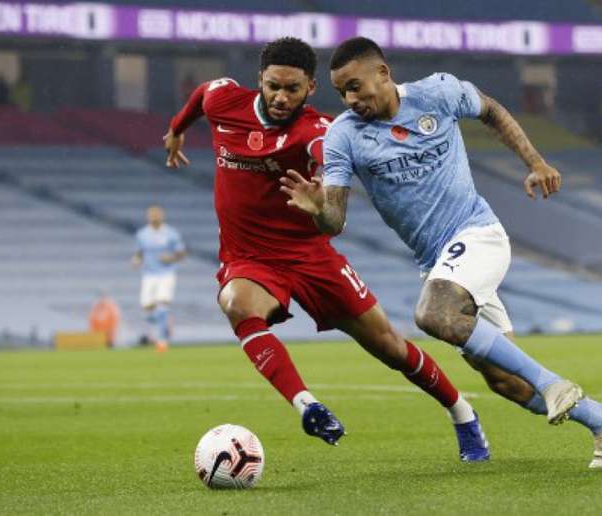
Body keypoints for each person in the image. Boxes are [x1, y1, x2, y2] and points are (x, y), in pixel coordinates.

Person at [281, 37, 602, 469]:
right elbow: (335, 220)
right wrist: (318, 211)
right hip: (440, 263)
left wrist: (536, 162)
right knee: (507, 384)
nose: (351, 99)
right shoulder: (343, 137)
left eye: (356, 86)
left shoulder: (438, 93)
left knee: (433, 315)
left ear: (384, 74)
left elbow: (492, 110)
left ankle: (555, 383)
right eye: (342, 92)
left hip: (477, 233)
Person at [162, 37, 489, 460]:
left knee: (388, 344)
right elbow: (200, 95)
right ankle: (308, 406)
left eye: (292, 89)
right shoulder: (224, 100)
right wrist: (175, 132)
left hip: (310, 255)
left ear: (310, 89)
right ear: (259, 79)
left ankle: (462, 413)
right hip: (251, 259)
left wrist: (323, 201)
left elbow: (329, 162)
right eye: (274, 86)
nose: (281, 98)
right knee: (237, 303)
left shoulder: (317, 131)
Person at [131, 205, 187, 352]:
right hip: (149, 274)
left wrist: (171, 258)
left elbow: (181, 253)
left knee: (162, 304)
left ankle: (162, 340)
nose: (155, 217)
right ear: (148, 217)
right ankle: (164, 321)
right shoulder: (142, 234)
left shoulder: (171, 233)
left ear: (162, 216)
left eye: (157, 214)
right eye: (152, 214)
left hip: (166, 274)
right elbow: (139, 252)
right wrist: (136, 259)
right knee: (147, 307)